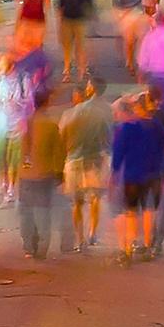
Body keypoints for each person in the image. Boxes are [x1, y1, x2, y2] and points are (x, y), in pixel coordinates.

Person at [108, 91, 164, 263]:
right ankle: (147, 245)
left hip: (133, 174)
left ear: (139, 107)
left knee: (131, 211)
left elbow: (119, 152)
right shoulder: (158, 126)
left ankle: (130, 245)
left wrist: (114, 172)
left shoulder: (129, 127)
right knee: (148, 209)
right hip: (154, 173)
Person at [60, 77, 111, 251]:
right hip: (94, 158)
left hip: (74, 160)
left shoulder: (68, 115)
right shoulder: (98, 113)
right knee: (95, 198)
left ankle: (80, 238)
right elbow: (106, 137)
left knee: (77, 202)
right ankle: (93, 233)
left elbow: (62, 138)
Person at [18, 96, 68, 258]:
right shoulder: (51, 126)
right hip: (45, 175)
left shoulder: (25, 124)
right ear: (46, 103)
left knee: (27, 212)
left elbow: (20, 150)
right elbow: (59, 153)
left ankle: (28, 246)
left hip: (26, 174)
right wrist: (60, 174)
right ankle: (42, 247)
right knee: (43, 212)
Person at [0, 54, 33, 203]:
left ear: (11, 67)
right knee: (0, 157)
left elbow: (30, 103)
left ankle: (11, 187)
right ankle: (3, 181)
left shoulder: (22, 80)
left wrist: (18, 105)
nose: (2, 72)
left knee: (13, 158)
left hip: (17, 124)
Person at [52, 0, 94, 82]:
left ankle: (82, 70)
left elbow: (89, 2)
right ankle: (67, 71)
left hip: (79, 20)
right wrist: (59, 21)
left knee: (80, 47)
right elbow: (60, 5)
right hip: (67, 20)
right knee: (67, 47)